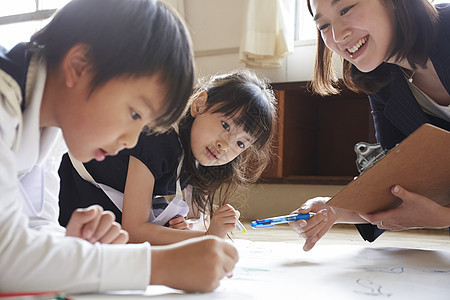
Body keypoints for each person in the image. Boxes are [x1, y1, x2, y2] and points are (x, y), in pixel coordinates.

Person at [0, 0, 238, 294]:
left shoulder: (52, 128)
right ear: (79, 66)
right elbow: (6, 257)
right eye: (135, 114)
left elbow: (35, 227)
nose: (132, 140)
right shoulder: (4, 101)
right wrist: (159, 266)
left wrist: (69, 247)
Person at [289, 0, 450, 251]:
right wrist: (334, 208)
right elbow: (397, 178)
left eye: (346, 9)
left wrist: (444, 218)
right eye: (324, 25)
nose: (337, 36)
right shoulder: (381, 80)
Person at [58, 70, 277, 245]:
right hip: (74, 195)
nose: (225, 145)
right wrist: (208, 237)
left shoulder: (204, 158)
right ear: (199, 105)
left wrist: (189, 228)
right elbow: (134, 231)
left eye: (240, 143)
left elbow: (197, 220)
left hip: (109, 219)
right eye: (225, 125)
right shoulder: (158, 139)